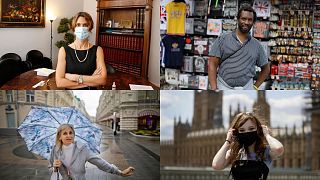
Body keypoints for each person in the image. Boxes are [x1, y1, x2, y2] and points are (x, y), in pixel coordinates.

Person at [208, 4, 270, 90]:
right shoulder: (222, 39)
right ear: (237, 19)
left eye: (250, 20)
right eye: (243, 19)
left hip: (247, 88)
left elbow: (266, 69)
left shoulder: (257, 45)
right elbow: (212, 64)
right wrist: (214, 89)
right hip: (223, 86)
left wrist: (255, 87)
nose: (246, 22)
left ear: (253, 22)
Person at [212, 112, 284, 180]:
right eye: (242, 130)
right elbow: (216, 165)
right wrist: (228, 141)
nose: (247, 133)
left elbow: (278, 149)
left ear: (259, 130)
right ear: (236, 133)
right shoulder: (234, 153)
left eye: (251, 129)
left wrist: (266, 135)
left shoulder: (265, 152)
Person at [49, 124, 134, 180]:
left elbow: (100, 162)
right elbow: (51, 167)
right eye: (65, 133)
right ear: (59, 137)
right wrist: (54, 167)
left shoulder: (82, 149)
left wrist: (119, 172)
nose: (69, 136)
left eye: (71, 133)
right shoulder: (55, 150)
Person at [56, 12, 107, 89]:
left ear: (90, 28)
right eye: (78, 25)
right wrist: (91, 80)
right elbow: (59, 82)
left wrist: (75, 78)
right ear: (74, 28)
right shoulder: (64, 50)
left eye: (85, 25)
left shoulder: (98, 50)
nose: (82, 28)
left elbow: (102, 80)